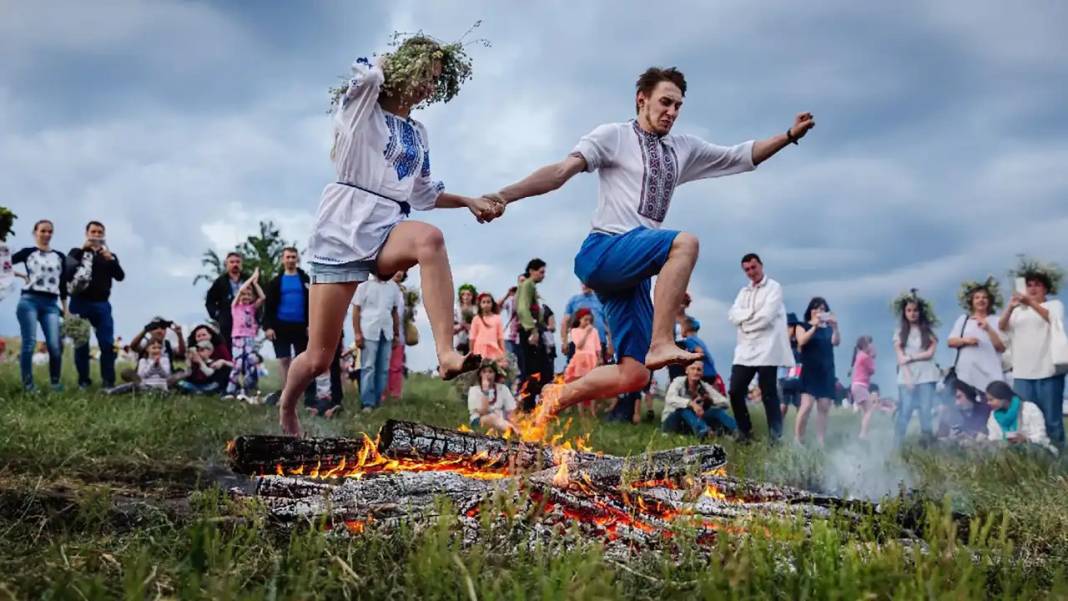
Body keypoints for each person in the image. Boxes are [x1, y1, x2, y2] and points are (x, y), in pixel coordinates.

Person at [484, 66, 814, 424]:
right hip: (604, 250)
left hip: (634, 272)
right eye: (665, 102)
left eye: (678, 106)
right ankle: (661, 341)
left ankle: (555, 398)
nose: (671, 112)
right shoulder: (613, 136)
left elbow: (740, 156)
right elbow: (561, 172)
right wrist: (504, 194)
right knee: (684, 243)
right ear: (642, 99)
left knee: (635, 374)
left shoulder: (682, 149)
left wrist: (788, 135)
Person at [278, 35, 499, 436]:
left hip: (388, 225)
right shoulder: (363, 109)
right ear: (403, 69)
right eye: (426, 75)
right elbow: (365, 75)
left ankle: (446, 353)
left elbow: (423, 193)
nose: (430, 87)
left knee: (429, 239)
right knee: (318, 359)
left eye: (435, 80)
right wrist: (388, 63)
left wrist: (468, 200)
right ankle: (287, 407)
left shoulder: (418, 133)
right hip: (343, 229)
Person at [727, 254, 796, 442]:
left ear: (761, 266)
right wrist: (750, 314)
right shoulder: (744, 292)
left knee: (768, 394)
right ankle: (745, 432)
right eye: (747, 269)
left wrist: (745, 322)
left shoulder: (774, 288)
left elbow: (767, 317)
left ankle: (776, 437)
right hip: (746, 349)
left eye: (753, 267)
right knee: (735, 391)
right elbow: (732, 315)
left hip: (768, 348)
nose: (751, 272)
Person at [999, 258, 1066, 449]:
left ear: (1046, 288)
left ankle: (1059, 461)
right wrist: (1011, 306)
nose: (1033, 288)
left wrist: (1031, 303)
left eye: (1037, 285)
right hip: (1022, 374)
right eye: (1029, 285)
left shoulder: (1053, 305)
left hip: (1049, 372)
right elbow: (1002, 326)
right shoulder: (1018, 312)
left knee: (1052, 420)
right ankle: (1032, 459)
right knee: (1026, 419)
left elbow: (1052, 319)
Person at [66, 220, 125, 389]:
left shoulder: (109, 255)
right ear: (87, 233)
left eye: (100, 232)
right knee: (81, 344)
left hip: (102, 304)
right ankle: (83, 381)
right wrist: (81, 251)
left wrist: (111, 260)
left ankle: (108, 382)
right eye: (93, 232)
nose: (96, 235)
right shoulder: (76, 252)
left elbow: (120, 276)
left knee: (107, 344)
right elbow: (67, 270)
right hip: (79, 302)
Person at [12, 219, 68, 391]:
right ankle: (28, 386)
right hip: (29, 301)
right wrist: (21, 275)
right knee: (29, 343)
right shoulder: (28, 252)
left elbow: (63, 284)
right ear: (35, 232)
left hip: (51, 304)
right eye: (43, 231)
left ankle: (55, 384)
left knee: (54, 345)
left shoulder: (59, 256)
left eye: (50, 231)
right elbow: (3, 264)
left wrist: (66, 309)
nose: (46, 234)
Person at [892, 291, 940, 443]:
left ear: (920, 312)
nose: (912, 314)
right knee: (905, 410)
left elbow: (930, 353)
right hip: (907, 377)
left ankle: (927, 444)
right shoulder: (900, 332)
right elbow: (900, 357)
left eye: (915, 310)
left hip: (927, 374)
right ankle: (897, 444)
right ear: (904, 312)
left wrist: (912, 357)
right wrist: (907, 378)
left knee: (925, 411)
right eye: (909, 310)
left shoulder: (928, 331)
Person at [264, 247, 311, 394]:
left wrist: (311, 325)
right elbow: (268, 306)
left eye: (293, 257)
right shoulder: (276, 282)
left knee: (301, 360)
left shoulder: (305, 280)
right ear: (282, 260)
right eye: (288, 257)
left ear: (297, 259)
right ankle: (286, 391)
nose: (291, 260)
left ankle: (301, 390)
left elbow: (313, 303)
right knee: (284, 360)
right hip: (280, 326)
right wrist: (268, 327)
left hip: (301, 326)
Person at [947, 277, 1006, 394]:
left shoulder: (996, 320)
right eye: (977, 297)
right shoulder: (963, 320)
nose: (981, 300)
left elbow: (1001, 347)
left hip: (991, 375)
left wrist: (988, 328)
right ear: (972, 301)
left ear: (990, 301)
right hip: (967, 375)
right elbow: (951, 342)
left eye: (984, 297)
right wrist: (966, 341)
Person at [794, 297, 840, 447]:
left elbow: (836, 342)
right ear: (810, 310)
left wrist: (835, 327)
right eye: (816, 308)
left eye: (822, 309)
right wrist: (814, 326)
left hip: (826, 370)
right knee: (806, 405)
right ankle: (798, 439)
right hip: (809, 370)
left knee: (824, 406)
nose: (819, 312)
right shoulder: (802, 325)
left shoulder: (828, 329)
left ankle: (821, 441)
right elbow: (801, 341)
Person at [352, 274, 400, 412]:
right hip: (369, 331)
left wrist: (396, 334)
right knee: (368, 367)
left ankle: (378, 401)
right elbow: (356, 310)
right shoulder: (364, 285)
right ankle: (367, 402)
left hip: (386, 331)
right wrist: (357, 333)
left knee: (383, 369)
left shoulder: (393, 287)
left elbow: (394, 312)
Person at [662, 361, 737, 439]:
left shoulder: (704, 386)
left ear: (702, 373)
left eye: (699, 370)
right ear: (686, 370)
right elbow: (670, 398)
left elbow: (725, 403)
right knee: (684, 409)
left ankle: (738, 430)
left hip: (692, 422)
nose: (695, 372)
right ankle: (705, 432)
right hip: (672, 421)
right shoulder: (678, 381)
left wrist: (710, 400)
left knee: (716, 411)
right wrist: (691, 404)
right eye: (692, 368)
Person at [984, 381, 1056, 455]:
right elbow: (993, 437)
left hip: (1035, 448)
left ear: (1003, 398)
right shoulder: (994, 415)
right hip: (1007, 451)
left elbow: (1041, 436)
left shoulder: (1029, 408)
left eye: (991, 400)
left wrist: (1025, 439)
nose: (988, 403)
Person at [225, 269, 266, 400]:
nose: (246, 296)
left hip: (249, 338)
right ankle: (230, 390)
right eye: (244, 294)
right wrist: (252, 278)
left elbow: (263, 297)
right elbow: (241, 290)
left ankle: (248, 388)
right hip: (237, 338)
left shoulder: (252, 308)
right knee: (237, 364)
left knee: (250, 362)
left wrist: (255, 283)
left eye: (249, 294)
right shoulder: (235, 306)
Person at [516, 259, 549, 410]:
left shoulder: (531, 287)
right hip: (529, 332)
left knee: (539, 369)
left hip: (533, 330)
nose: (543, 275)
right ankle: (527, 405)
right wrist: (533, 330)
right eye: (541, 272)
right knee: (532, 369)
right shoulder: (527, 285)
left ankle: (532, 404)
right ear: (532, 271)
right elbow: (523, 309)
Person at [564, 308, 603, 417]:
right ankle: (581, 413)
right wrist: (586, 333)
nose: (588, 323)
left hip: (592, 359)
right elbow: (579, 345)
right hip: (581, 359)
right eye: (585, 320)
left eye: (589, 320)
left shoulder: (594, 331)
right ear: (579, 319)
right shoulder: (575, 331)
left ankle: (592, 411)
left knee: (593, 386)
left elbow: (597, 346)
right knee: (580, 386)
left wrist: (599, 358)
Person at [562, 283, 612, 363]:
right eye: (583, 283)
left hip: (599, 342)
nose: (585, 285)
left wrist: (610, 345)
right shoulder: (574, 300)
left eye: (587, 283)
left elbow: (609, 324)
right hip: (578, 343)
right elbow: (565, 322)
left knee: (599, 371)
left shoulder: (601, 300)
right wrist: (564, 342)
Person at [205, 252, 246, 347]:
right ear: (226, 264)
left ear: (241, 264)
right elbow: (209, 301)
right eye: (232, 262)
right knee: (228, 346)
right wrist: (217, 315)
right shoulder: (220, 281)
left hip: (245, 320)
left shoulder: (247, 279)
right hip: (227, 321)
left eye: (237, 262)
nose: (235, 264)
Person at [105, 339, 171, 395]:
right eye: (154, 348)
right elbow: (142, 376)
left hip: (161, 386)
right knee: (131, 385)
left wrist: (158, 366)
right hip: (145, 385)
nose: (157, 350)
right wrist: (153, 366)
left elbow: (166, 375)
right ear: (147, 349)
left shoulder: (165, 360)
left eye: (159, 348)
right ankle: (111, 391)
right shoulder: (143, 361)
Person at [467, 362, 518, 433]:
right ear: (480, 374)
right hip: (480, 421)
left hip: (501, 422)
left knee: (498, 420)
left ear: (495, 374)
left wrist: (514, 422)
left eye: (490, 372)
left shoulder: (503, 388)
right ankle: (514, 432)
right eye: (484, 372)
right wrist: (485, 391)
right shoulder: (474, 390)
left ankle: (514, 431)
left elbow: (511, 410)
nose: (487, 374)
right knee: (492, 418)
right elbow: (483, 412)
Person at [387, 270, 411, 400]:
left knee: (397, 365)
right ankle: (383, 393)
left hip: (400, 332)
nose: (399, 273)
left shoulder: (403, 291)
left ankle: (395, 394)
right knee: (384, 364)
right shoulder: (385, 288)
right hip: (385, 331)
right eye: (396, 269)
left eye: (402, 270)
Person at [187, 324, 232, 390]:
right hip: (200, 379)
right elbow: (190, 368)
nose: (201, 338)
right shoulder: (194, 349)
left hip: (216, 377)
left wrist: (223, 361)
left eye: (204, 335)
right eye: (198, 336)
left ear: (211, 335)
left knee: (225, 369)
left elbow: (232, 364)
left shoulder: (219, 347)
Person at [850, 335, 878, 439]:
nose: (872, 345)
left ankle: (863, 432)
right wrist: (872, 355)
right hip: (860, 386)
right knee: (869, 410)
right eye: (870, 344)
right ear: (866, 346)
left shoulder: (859, 355)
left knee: (864, 411)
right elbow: (872, 371)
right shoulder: (865, 357)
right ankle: (863, 434)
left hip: (856, 386)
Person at [778, 312, 803, 419]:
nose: (791, 328)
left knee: (800, 407)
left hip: (799, 378)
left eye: (793, 326)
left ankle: (800, 432)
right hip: (784, 378)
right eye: (789, 326)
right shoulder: (782, 341)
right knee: (783, 406)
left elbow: (802, 352)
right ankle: (778, 430)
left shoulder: (800, 340)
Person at [469, 292, 505, 361]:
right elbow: (472, 337)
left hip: (493, 349)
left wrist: (503, 352)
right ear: (480, 304)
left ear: (492, 304)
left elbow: (500, 337)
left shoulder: (497, 318)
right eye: (484, 302)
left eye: (488, 302)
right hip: (479, 349)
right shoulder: (476, 319)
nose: (486, 304)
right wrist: (471, 352)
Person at [453, 283, 477, 354]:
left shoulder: (476, 309)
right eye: (463, 294)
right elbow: (452, 328)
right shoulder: (456, 309)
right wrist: (462, 326)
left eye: (468, 294)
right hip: (459, 341)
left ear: (473, 296)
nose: (466, 297)